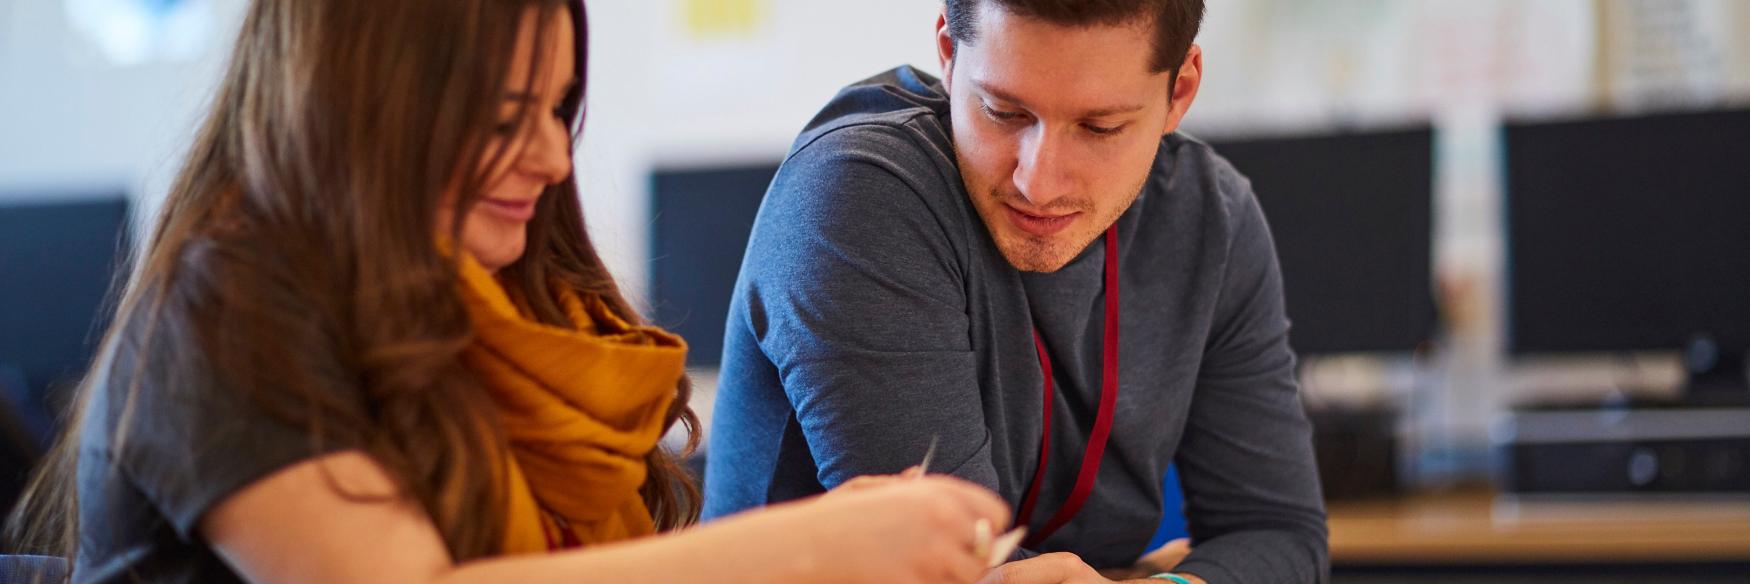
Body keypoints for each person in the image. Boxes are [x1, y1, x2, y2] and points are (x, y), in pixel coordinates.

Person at [2, 1, 1011, 582]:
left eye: (558, 109)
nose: (547, 154)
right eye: (501, 114)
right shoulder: (221, 310)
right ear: (363, 107)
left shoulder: (518, 304)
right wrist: (808, 545)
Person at [704, 1, 1328, 582]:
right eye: (1004, 112)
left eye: (1101, 126)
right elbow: (951, 566)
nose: (1039, 179)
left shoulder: (1211, 217)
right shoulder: (857, 195)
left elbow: (1280, 533)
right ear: (948, 54)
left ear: (1179, 92)